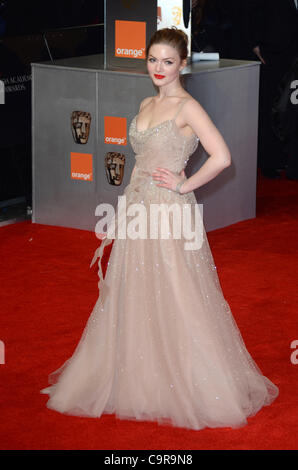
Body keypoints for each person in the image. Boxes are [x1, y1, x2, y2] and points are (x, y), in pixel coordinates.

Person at [41, 27, 279, 431]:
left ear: (183, 64)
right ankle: (140, 375)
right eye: (153, 60)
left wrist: (184, 185)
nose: (158, 68)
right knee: (134, 288)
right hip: (138, 207)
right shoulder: (146, 102)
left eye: (168, 62)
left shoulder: (188, 107)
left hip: (169, 210)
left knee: (177, 289)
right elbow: (140, 162)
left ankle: (190, 379)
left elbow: (222, 156)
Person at [246, 0, 298, 178]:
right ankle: (270, 160)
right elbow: (253, 12)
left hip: (293, 56)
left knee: (291, 109)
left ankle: (288, 159)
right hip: (273, 54)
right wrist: (254, 44)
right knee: (271, 106)